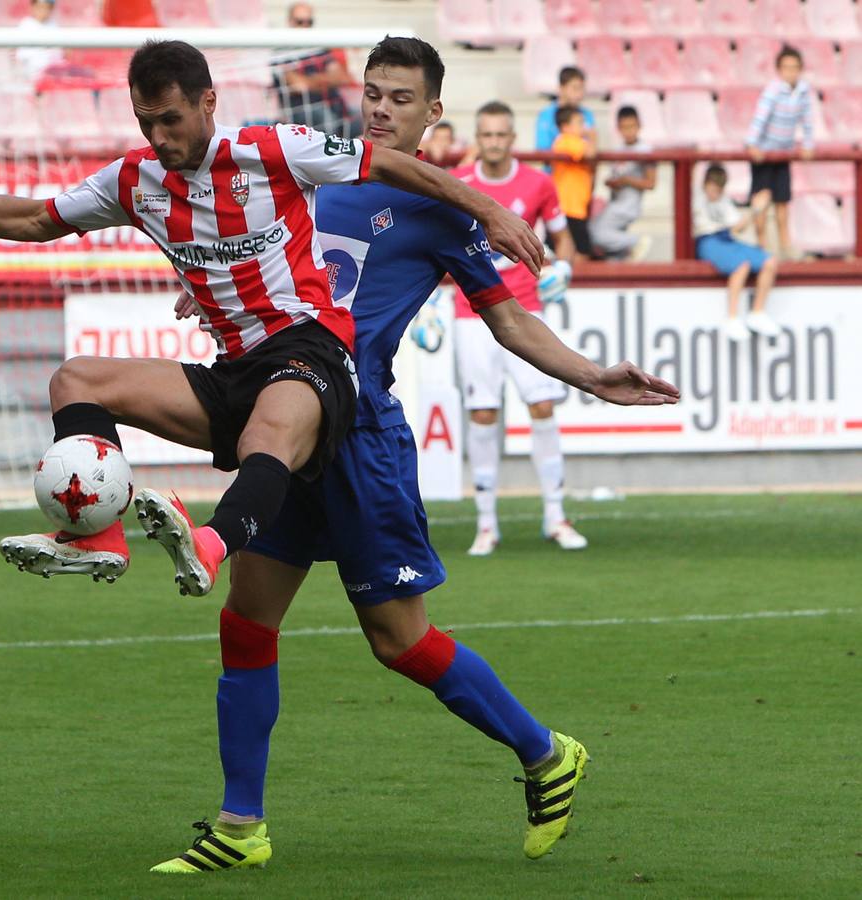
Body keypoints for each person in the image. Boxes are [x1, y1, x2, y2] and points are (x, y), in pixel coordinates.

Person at [148, 38, 678, 873]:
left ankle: (546, 751)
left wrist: (588, 376)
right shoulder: (303, 176)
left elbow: (507, 318)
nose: (382, 109)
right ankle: (239, 828)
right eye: (372, 94)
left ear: (432, 114)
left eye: (401, 98)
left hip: (359, 439)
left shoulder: (440, 212)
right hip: (283, 419)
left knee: (397, 642)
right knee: (245, 621)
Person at [0, 39, 544, 597]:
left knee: (265, 443)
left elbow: (391, 168)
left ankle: (210, 542)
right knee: (75, 381)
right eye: (145, 123)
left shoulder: (274, 148)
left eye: (171, 121)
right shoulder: (133, 180)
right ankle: (100, 533)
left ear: (207, 103)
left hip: (312, 351)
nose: (159, 137)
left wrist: (490, 208)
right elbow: (34, 218)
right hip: (233, 367)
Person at [453, 100, 586, 557]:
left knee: (543, 406)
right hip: (471, 315)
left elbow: (562, 234)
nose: (492, 142)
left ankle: (556, 514)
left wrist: (564, 266)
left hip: (526, 311)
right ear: (478, 137)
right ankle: (486, 523)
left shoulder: (538, 183)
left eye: (500, 134)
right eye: (485, 134)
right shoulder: (460, 184)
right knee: (483, 413)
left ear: (512, 138)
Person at [694, 164, 780, 342]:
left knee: (769, 261)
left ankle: (757, 312)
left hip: (727, 239)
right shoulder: (696, 197)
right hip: (708, 240)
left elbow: (736, 229)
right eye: (711, 189)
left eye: (717, 190)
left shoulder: (724, 200)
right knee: (741, 265)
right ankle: (732, 317)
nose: (713, 194)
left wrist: (756, 209)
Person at [746, 44, 815, 260]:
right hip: (765, 154)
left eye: (794, 67)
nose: (790, 72)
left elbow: (807, 120)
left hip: (783, 154)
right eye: (786, 67)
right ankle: (761, 246)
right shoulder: (773, 90)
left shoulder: (803, 91)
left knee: (782, 202)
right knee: (762, 202)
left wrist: (808, 144)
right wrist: (752, 144)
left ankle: (785, 246)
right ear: (779, 69)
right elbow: (760, 117)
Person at [271, 2, 360, 137]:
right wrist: (325, 80)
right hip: (299, 111)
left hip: (334, 105)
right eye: (300, 22)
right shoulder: (280, 52)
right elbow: (298, 84)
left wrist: (310, 82)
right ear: (290, 22)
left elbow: (339, 77)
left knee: (362, 118)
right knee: (325, 119)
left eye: (309, 22)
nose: (305, 26)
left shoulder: (318, 48)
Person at [589, 105, 655, 261]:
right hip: (616, 200)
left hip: (629, 205)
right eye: (625, 127)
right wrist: (613, 182)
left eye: (632, 126)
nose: (629, 131)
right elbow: (615, 176)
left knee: (595, 232)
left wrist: (626, 180)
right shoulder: (618, 149)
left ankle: (637, 241)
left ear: (639, 126)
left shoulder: (645, 150)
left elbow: (651, 183)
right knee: (613, 251)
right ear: (618, 128)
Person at [550, 105, 595, 260]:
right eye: (580, 123)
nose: (584, 127)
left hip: (575, 206)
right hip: (570, 207)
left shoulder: (573, 141)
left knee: (577, 250)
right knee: (582, 251)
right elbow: (590, 153)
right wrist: (593, 137)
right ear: (565, 127)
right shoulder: (567, 141)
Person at [534, 66, 596, 152]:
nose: (580, 94)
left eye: (582, 88)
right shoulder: (546, 115)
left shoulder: (587, 114)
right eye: (575, 88)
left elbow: (591, 150)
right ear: (561, 88)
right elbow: (542, 150)